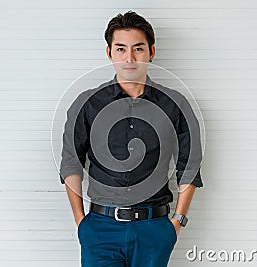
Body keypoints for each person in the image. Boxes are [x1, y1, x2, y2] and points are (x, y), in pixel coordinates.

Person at [59, 11, 203, 267]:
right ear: (109, 53)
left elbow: (189, 166)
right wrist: (81, 223)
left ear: (151, 52)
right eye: (121, 49)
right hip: (100, 229)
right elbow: (71, 163)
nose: (129, 58)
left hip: (155, 229)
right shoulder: (87, 104)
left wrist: (177, 222)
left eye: (138, 49)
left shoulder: (175, 104)